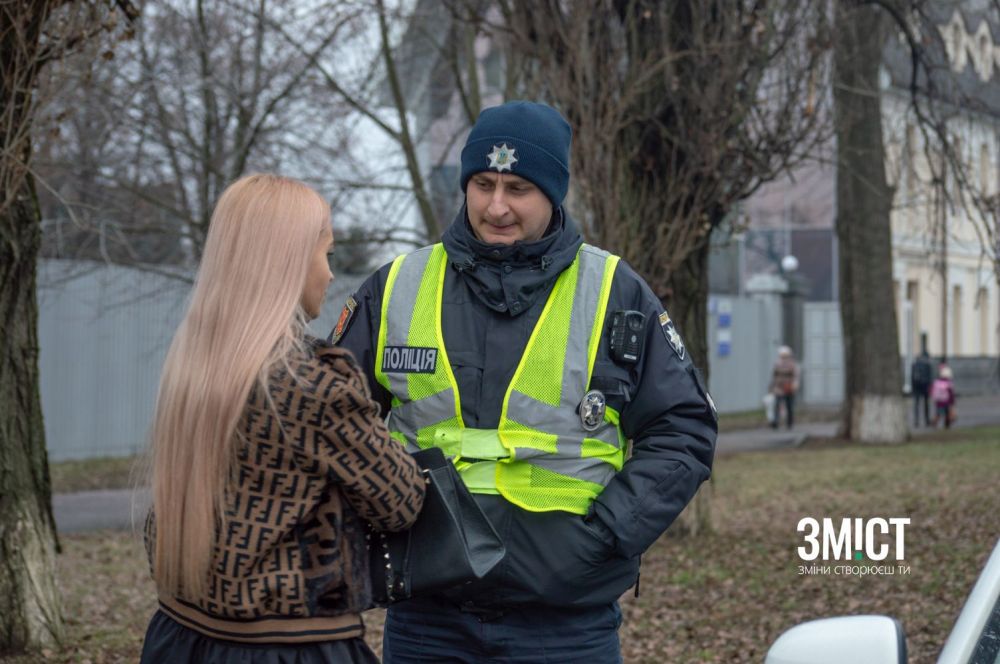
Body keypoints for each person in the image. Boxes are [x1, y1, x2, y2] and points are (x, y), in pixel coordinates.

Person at [332, 100, 717, 662]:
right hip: (426, 624)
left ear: (553, 193)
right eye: (482, 183)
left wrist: (607, 536)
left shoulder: (615, 290)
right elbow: (331, 423)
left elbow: (684, 426)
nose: (496, 206)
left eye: (518, 188)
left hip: (565, 626)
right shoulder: (395, 285)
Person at [140, 174, 426, 663]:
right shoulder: (313, 384)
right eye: (327, 254)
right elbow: (401, 501)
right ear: (289, 262)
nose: (330, 275)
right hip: (286, 647)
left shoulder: (195, 364)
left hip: (181, 634)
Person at [769, 346, 800, 429]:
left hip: (789, 387)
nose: (784, 357)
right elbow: (774, 375)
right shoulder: (777, 364)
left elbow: (796, 375)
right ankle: (775, 421)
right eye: (782, 355)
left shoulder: (792, 364)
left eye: (785, 355)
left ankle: (789, 423)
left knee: (789, 406)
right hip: (779, 387)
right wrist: (772, 386)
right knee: (777, 404)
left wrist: (795, 384)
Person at [910, 350, 933, 427]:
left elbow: (912, 377)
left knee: (916, 404)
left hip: (916, 386)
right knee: (926, 404)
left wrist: (913, 387)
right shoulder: (927, 365)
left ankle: (916, 421)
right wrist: (930, 386)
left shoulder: (914, 364)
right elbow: (930, 377)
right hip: (925, 386)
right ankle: (927, 420)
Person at [930, 364, 956, 429]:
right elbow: (951, 394)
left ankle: (934, 422)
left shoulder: (936, 382)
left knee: (938, 413)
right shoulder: (948, 383)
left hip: (938, 401)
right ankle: (947, 425)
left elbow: (932, 391)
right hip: (947, 401)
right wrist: (952, 402)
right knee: (947, 413)